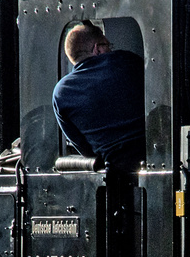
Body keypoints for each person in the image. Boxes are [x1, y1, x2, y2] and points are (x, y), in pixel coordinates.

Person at [52, 21, 145, 168]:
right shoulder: (126, 60)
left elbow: (84, 149)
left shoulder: (61, 92)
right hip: (155, 152)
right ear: (97, 49)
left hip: (115, 168)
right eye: (108, 45)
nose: (110, 50)